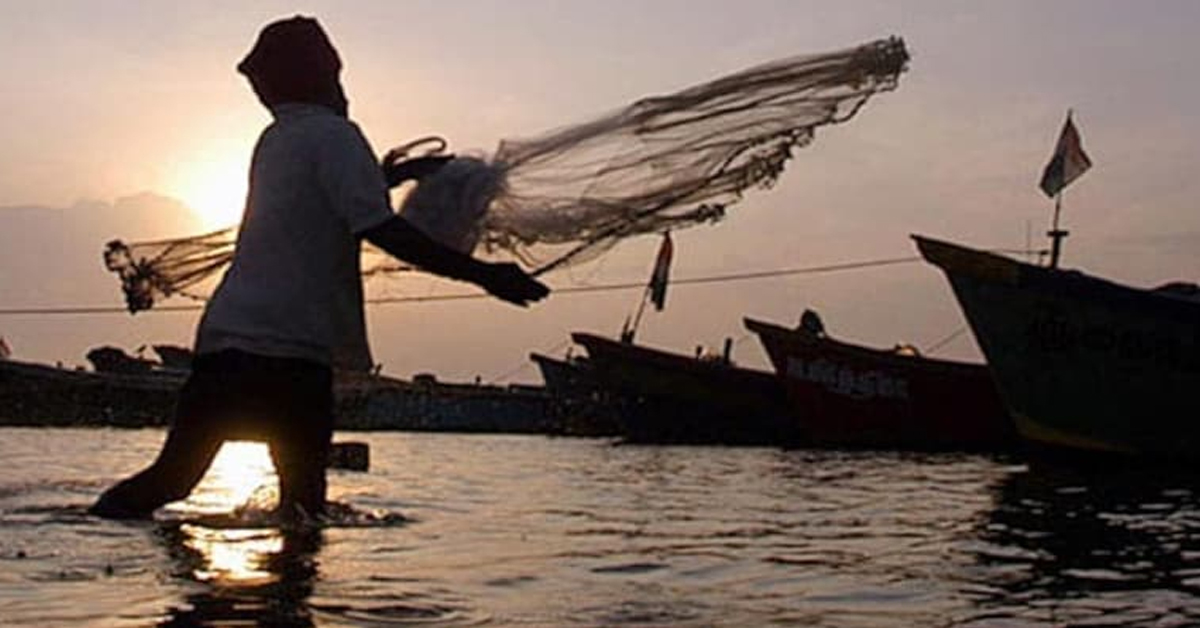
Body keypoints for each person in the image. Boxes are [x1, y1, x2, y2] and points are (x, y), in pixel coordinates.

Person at [90, 16, 549, 520]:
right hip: (288, 351)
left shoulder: (278, 137)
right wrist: (486, 275)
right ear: (322, 73)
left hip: (228, 344)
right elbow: (381, 229)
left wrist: (390, 176)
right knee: (303, 506)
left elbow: (318, 198)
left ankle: (95, 532)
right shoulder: (336, 136)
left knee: (173, 479)